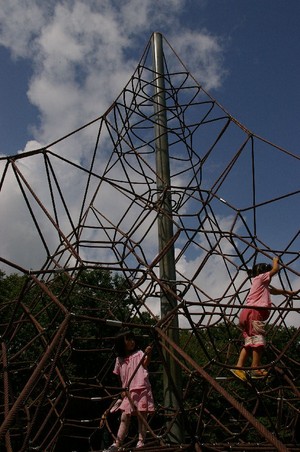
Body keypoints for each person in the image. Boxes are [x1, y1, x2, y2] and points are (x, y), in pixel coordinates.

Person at [230, 256, 300, 381]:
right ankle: (255, 368)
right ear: (263, 272)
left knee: (250, 342)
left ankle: (239, 367)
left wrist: (288, 292)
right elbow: (274, 270)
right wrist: (275, 262)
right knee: (258, 341)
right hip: (255, 313)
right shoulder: (261, 278)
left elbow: (274, 291)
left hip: (247, 313)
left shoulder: (260, 283)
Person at [103, 329, 155, 451]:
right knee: (124, 417)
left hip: (141, 388)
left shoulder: (138, 353)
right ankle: (117, 443)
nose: (132, 342)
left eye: (133, 339)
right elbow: (119, 376)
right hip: (128, 391)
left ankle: (141, 442)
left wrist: (148, 353)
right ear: (122, 342)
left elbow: (145, 364)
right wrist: (122, 389)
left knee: (142, 416)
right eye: (128, 340)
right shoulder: (119, 360)